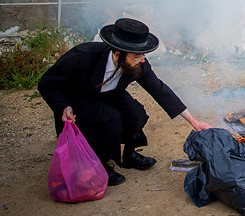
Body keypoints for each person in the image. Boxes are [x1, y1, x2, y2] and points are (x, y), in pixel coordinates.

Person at [39, 17, 212, 186]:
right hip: (80, 98)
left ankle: (129, 155)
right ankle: (101, 163)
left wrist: (193, 121)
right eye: (137, 56)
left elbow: (159, 89)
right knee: (110, 119)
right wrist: (64, 106)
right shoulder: (84, 55)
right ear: (118, 53)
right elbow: (48, 83)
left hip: (111, 94)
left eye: (143, 54)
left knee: (135, 113)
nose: (142, 60)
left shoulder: (137, 63)